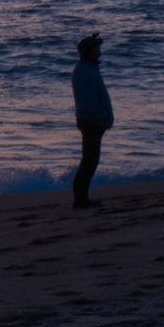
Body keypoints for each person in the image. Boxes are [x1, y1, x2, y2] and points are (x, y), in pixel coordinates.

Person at [72, 32, 113, 209]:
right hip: (91, 122)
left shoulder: (88, 69)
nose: (99, 50)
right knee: (89, 161)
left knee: (89, 160)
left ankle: (82, 198)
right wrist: (103, 117)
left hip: (92, 121)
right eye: (97, 47)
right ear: (90, 52)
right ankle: (80, 200)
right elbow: (89, 105)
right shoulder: (86, 71)